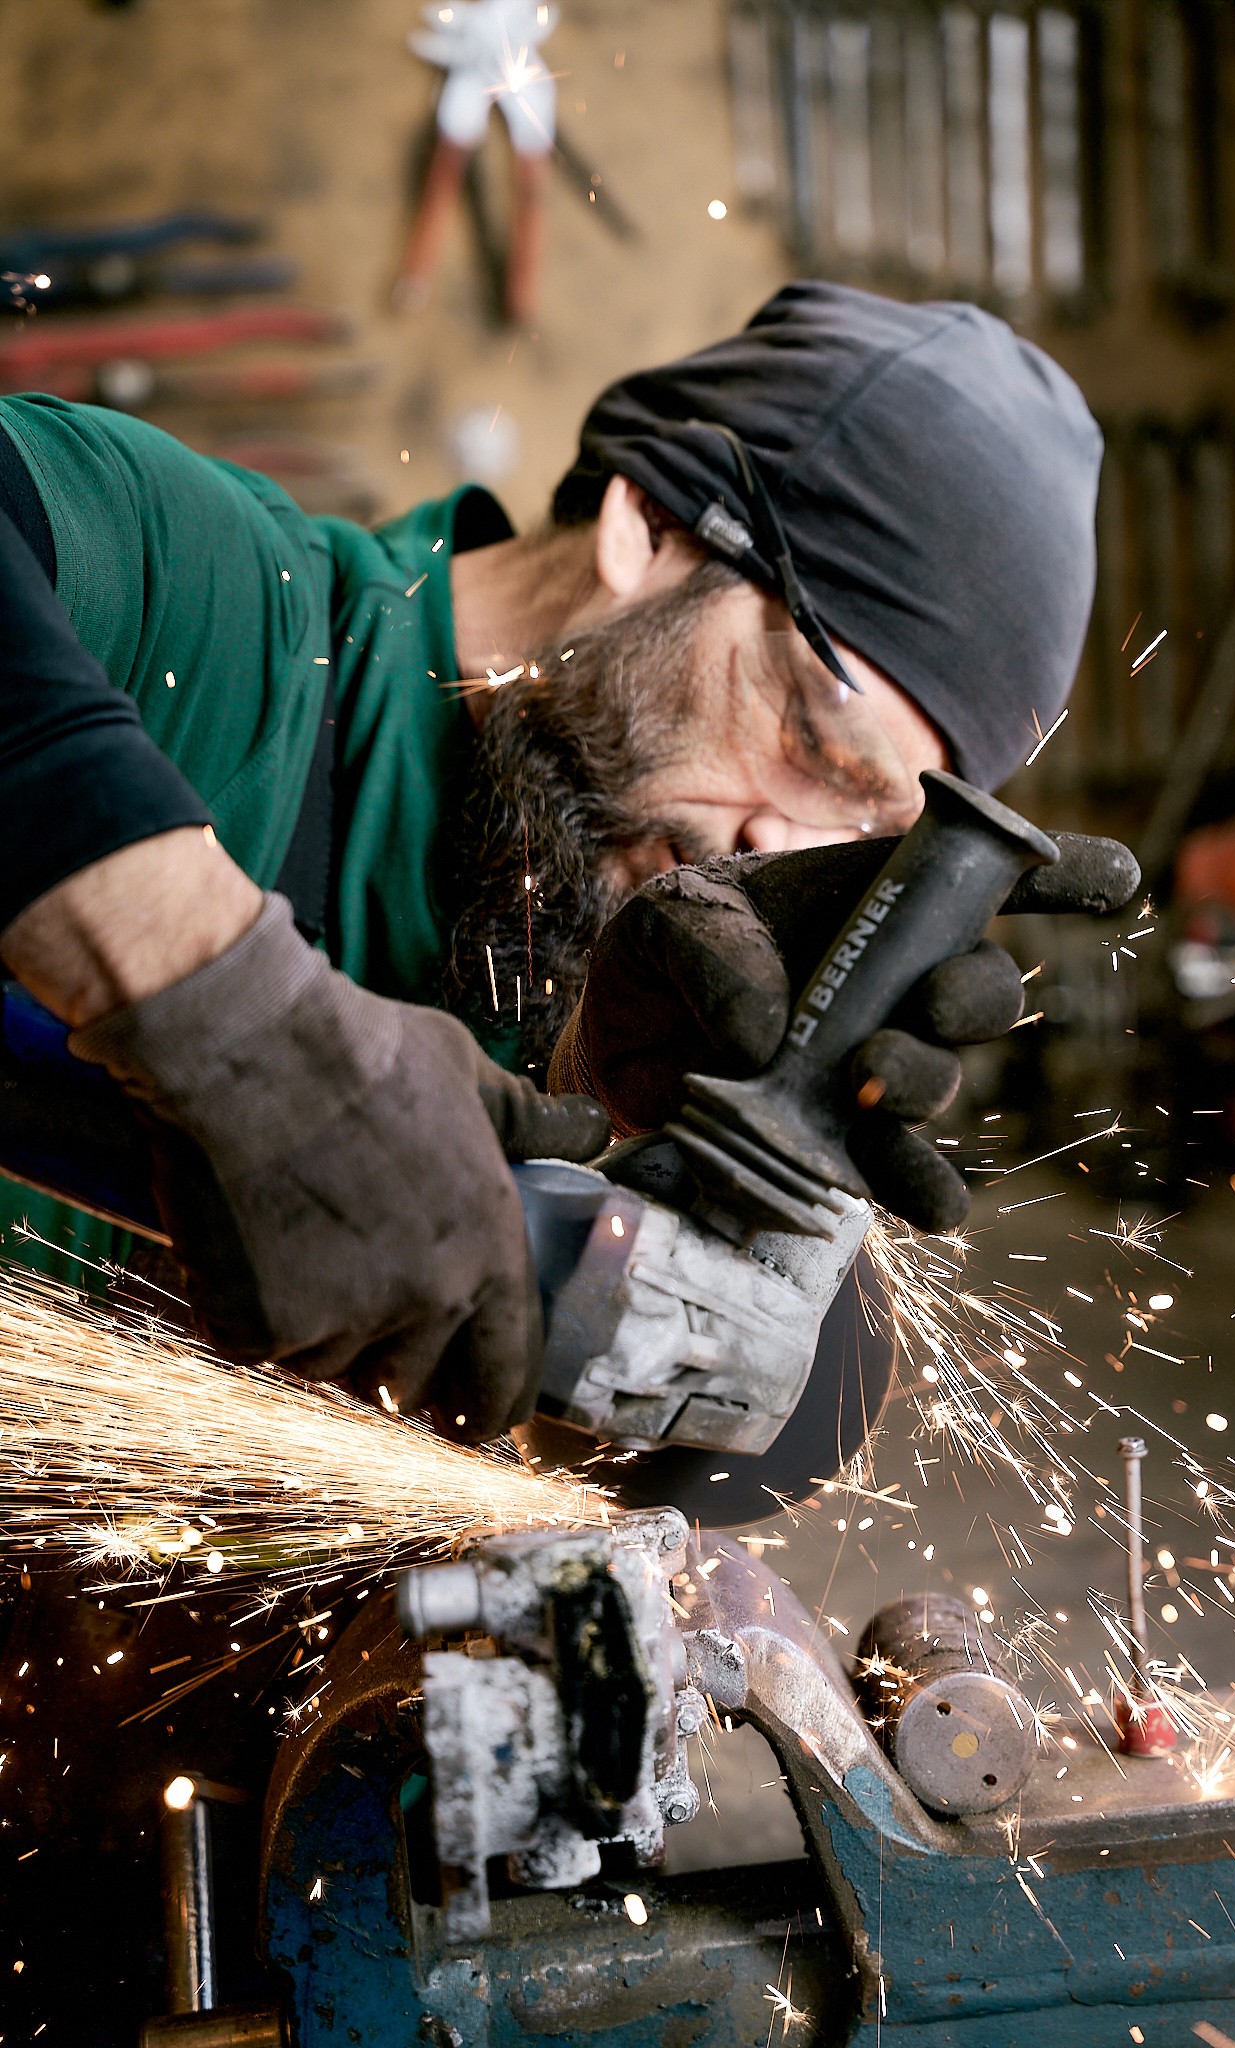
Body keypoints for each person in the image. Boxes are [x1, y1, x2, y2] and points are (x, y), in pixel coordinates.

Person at [0, 282, 1131, 1445]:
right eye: (810, 739)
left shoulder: (597, 1008)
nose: (778, 849)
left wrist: (684, 1204)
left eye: (865, 840)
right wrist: (235, 1023)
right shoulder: (199, 600)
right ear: (646, 523)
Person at [394, 0, 559, 321]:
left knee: (529, 174)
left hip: (510, 70)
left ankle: (521, 301)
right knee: (449, 161)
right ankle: (415, 279)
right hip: (475, 66)